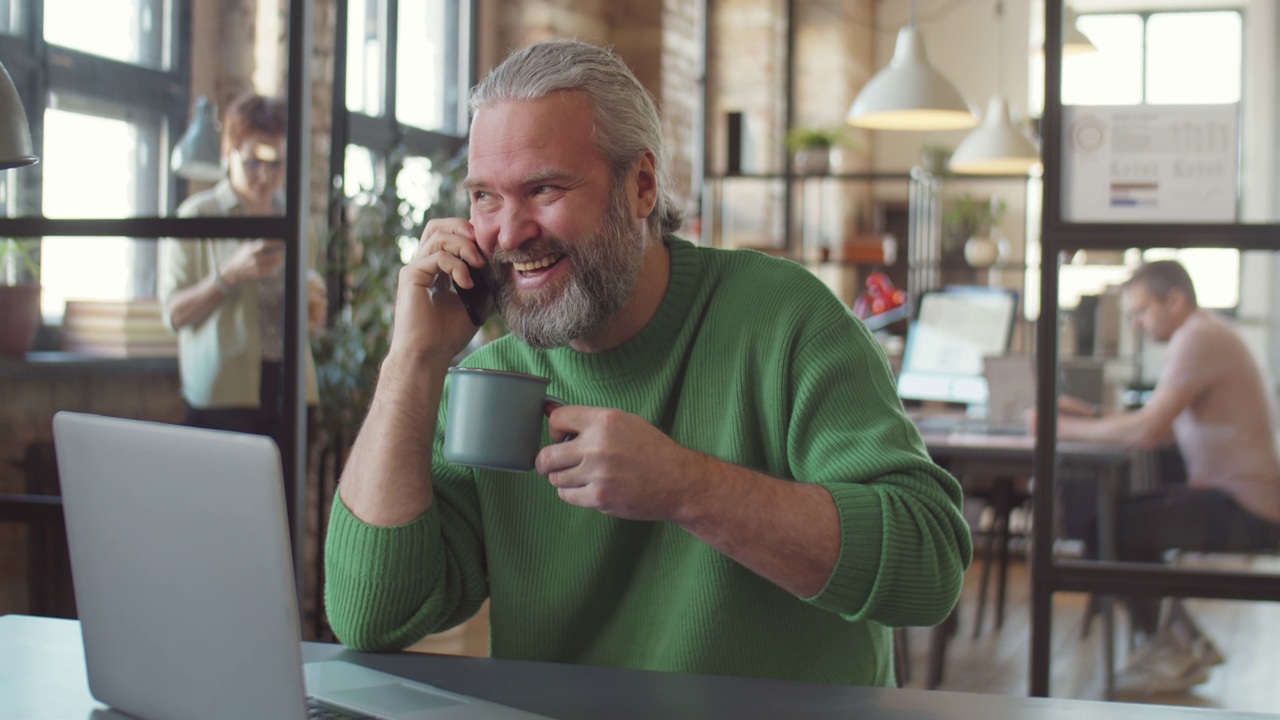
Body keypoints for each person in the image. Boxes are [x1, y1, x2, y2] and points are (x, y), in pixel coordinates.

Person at [323, 40, 971, 687]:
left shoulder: (787, 320)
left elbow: (929, 566)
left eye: (543, 188)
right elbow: (372, 616)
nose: (510, 232)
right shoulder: (494, 378)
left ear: (642, 184)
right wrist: (413, 358)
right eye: (486, 197)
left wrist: (687, 487)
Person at [1047, 259, 1280, 693]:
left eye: (1141, 310)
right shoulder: (1205, 333)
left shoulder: (1198, 338)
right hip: (1235, 497)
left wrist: (1057, 428)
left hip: (1247, 509)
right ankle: (1183, 643)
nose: (1135, 323)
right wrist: (1094, 414)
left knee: (1108, 528)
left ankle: (1173, 648)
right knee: (1115, 522)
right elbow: (1161, 427)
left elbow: (1147, 431)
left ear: (1175, 300)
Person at [158, 92, 325, 448]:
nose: (265, 175)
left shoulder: (298, 222)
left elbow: (305, 317)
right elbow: (173, 314)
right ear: (227, 153)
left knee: (285, 502)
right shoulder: (198, 217)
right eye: (253, 162)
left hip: (293, 389)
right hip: (224, 396)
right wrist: (228, 276)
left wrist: (312, 308)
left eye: (277, 163)